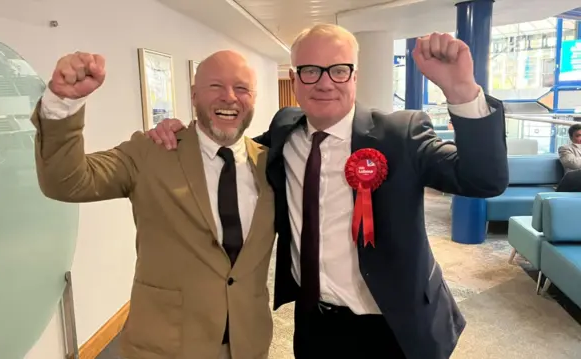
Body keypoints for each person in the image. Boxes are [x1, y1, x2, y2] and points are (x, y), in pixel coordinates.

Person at [149, 25, 509, 359]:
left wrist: (461, 91)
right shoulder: (283, 131)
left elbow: (483, 180)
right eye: (310, 70)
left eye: (338, 69)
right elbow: (230, 153)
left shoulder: (402, 134)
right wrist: (183, 133)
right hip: (316, 324)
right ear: (294, 78)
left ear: (354, 75)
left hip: (396, 326)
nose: (324, 83)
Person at [31, 50, 276, 359]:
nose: (229, 97)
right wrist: (62, 104)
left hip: (248, 343)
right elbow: (66, 180)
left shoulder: (271, 165)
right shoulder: (151, 152)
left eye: (241, 88)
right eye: (215, 86)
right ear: (193, 95)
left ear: (254, 98)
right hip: (166, 347)